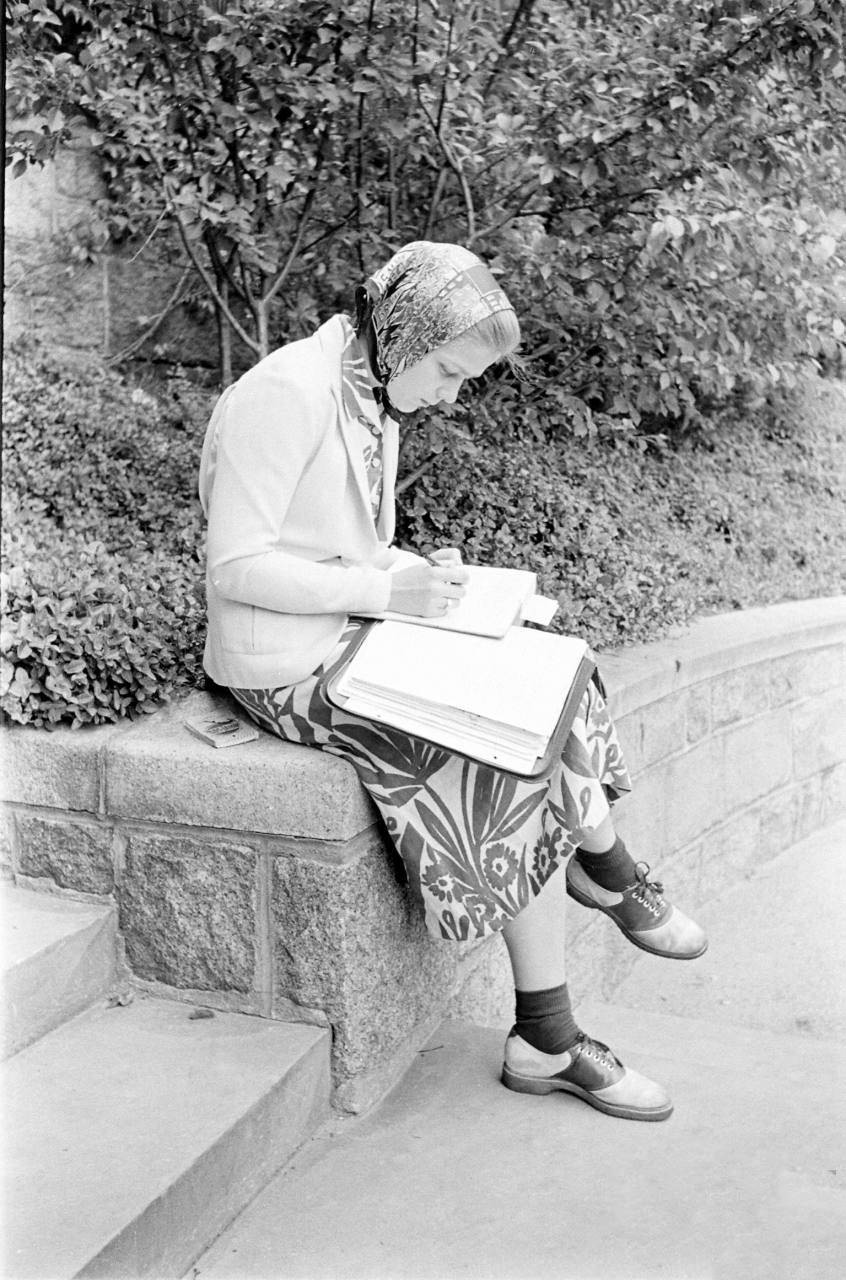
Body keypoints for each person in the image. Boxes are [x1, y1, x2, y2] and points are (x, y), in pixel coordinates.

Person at [199, 240, 707, 1123]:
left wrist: (421, 580)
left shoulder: (372, 396)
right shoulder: (282, 395)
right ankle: (561, 1000)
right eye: (446, 371)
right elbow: (237, 566)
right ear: (401, 334)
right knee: (506, 758)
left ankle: (595, 904)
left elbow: (346, 547)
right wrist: (383, 589)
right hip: (286, 664)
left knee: (560, 669)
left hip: (354, 631)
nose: (449, 394)